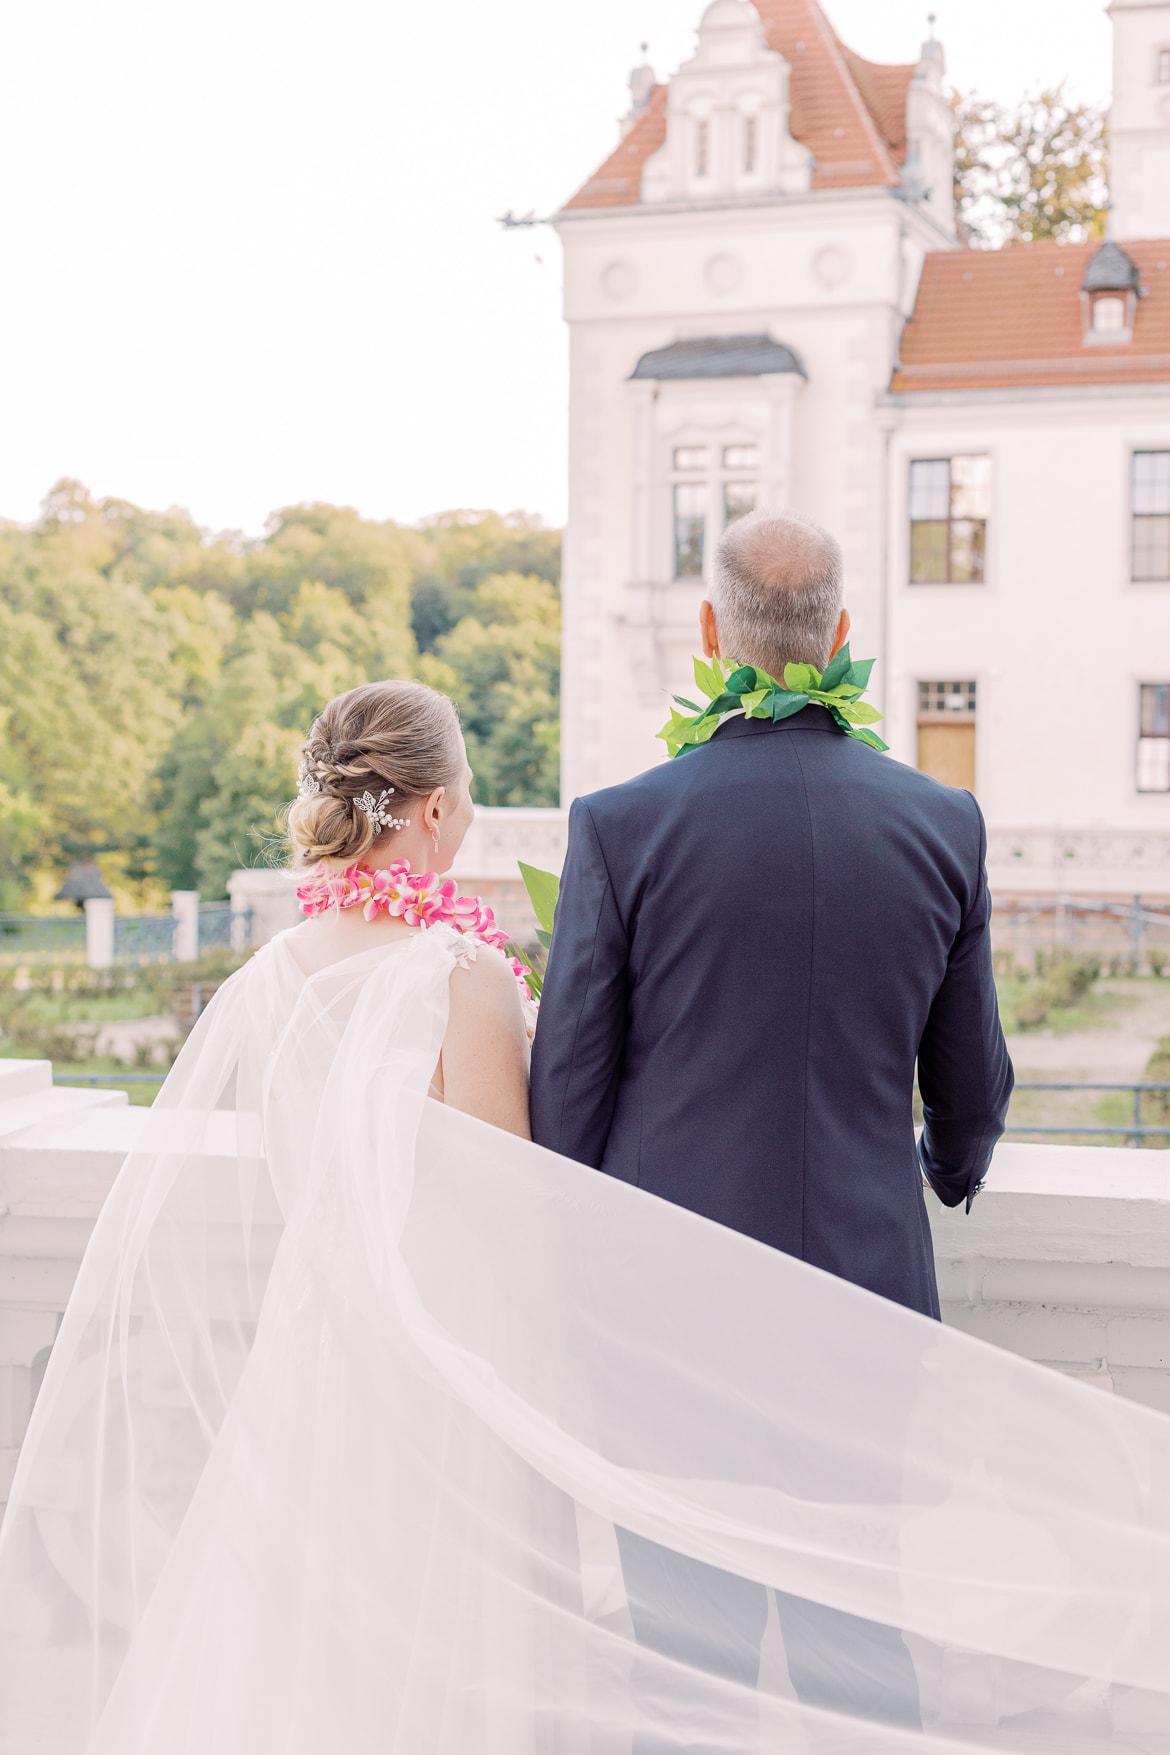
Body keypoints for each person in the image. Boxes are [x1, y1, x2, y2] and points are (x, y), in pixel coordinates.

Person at [1, 676, 1165, 1755]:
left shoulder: (275, 970)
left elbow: (306, 1163)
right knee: (486, 1621)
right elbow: (515, 1190)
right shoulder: (455, 971)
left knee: (328, 1615)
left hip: (323, 1347)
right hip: (457, 1344)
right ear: (442, 808)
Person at [530, 510, 1016, 1741]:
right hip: (863, 1295)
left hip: (664, 1306)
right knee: (861, 1632)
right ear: (846, 634)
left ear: (711, 634)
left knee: (685, 1658)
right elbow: (974, 1092)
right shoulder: (942, 824)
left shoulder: (620, 824)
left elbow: (569, 1093)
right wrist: (937, 1172)